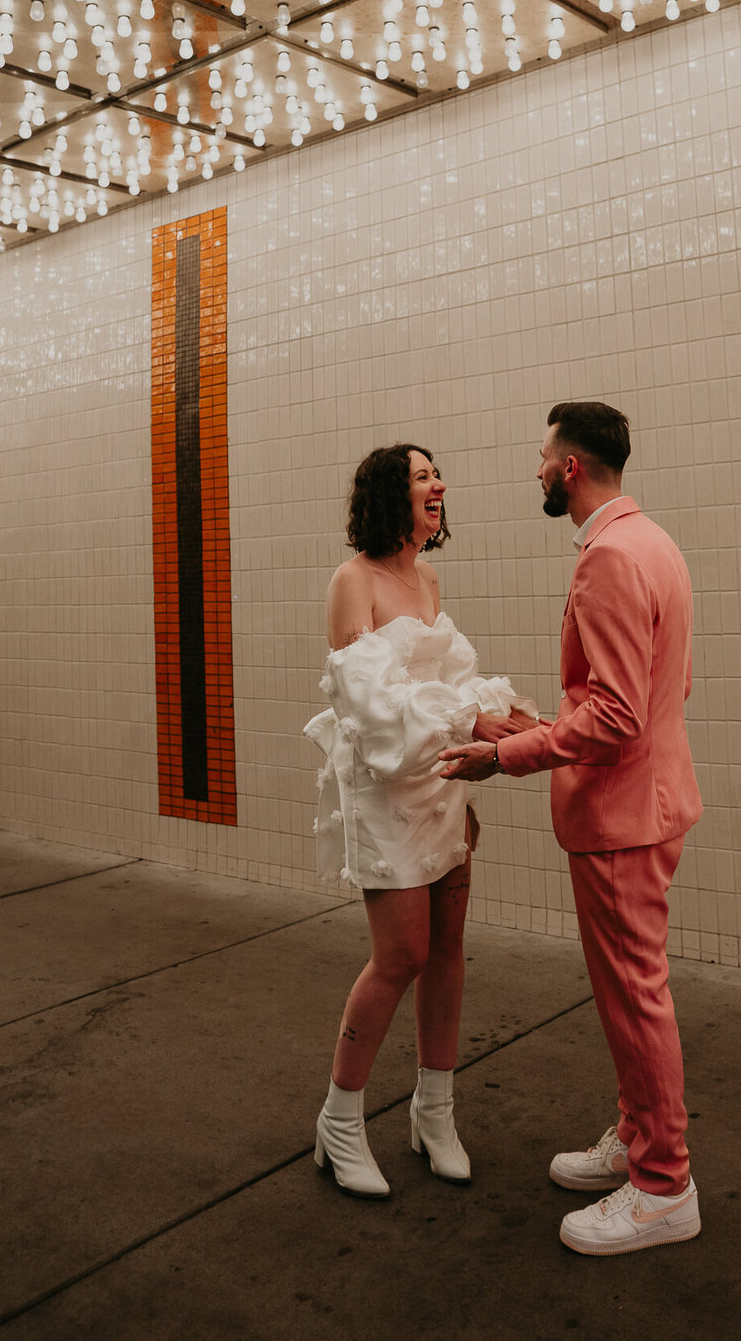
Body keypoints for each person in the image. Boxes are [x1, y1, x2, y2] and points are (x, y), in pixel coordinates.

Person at [439, 401, 703, 1255]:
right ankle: (636, 1138)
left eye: (544, 457)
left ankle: (664, 1185)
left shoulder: (608, 559)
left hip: (621, 816)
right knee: (632, 995)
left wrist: (506, 757)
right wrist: (535, 724)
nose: (538, 470)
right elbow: (656, 692)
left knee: (634, 996)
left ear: (573, 467)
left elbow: (617, 716)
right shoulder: (653, 542)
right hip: (647, 801)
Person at [305, 443, 534, 1198]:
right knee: (399, 955)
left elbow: (452, 682)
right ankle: (340, 1124)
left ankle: (434, 1113)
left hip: (444, 784)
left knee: (448, 951)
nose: (438, 486)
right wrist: (472, 715)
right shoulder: (353, 581)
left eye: (436, 475)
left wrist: (499, 715)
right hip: (385, 791)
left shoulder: (428, 578)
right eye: (420, 477)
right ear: (386, 496)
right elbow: (370, 712)